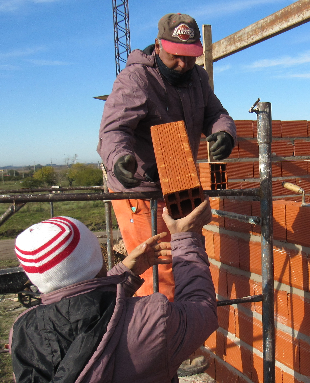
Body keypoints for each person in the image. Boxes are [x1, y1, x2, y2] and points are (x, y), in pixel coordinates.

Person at [9, 199, 216, 383]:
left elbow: (84, 323)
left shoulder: (22, 335)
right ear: (96, 258)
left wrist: (122, 277)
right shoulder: (151, 322)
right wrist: (186, 237)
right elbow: (201, 310)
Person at [97, 12, 236, 303]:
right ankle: (157, 336)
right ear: (159, 47)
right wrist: (120, 159)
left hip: (178, 173)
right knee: (157, 269)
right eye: (177, 56)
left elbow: (216, 114)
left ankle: (182, 328)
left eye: (191, 56)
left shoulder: (197, 77)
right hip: (141, 187)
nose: (184, 64)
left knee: (188, 255)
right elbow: (114, 129)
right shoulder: (136, 78)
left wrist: (224, 133)